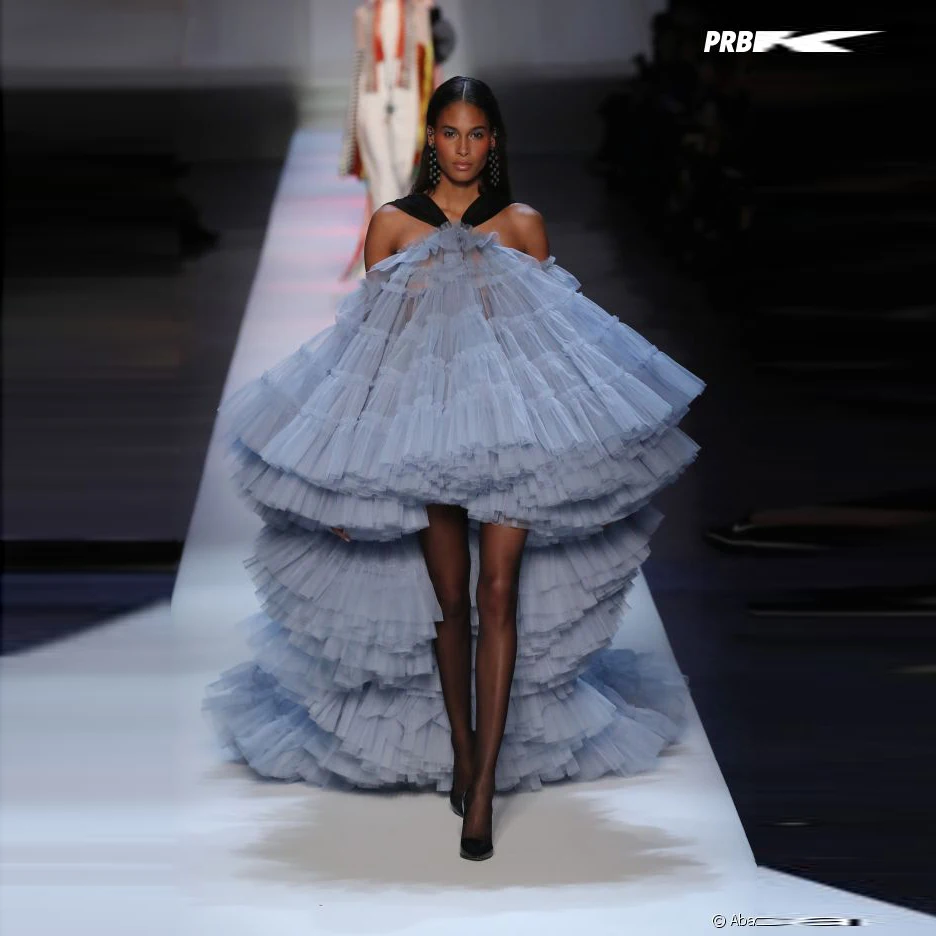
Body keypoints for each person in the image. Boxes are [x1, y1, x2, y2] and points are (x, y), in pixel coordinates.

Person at [204, 76, 706, 862]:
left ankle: (482, 790)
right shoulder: (391, 225)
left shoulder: (522, 225)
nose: (463, 148)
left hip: (512, 432)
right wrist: (347, 474)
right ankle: (467, 757)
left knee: (497, 592)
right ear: (430, 139)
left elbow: (553, 342)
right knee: (449, 603)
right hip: (427, 430)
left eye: (477, 134)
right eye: (450, 133)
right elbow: (367, 356)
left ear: (493, 141)